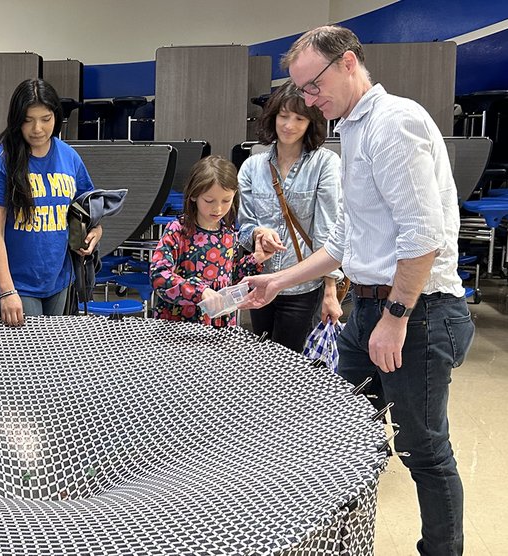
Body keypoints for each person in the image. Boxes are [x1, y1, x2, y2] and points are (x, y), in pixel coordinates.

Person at [242, 25, 475, 555]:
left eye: (313, 85)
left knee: (424, 449)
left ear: (348, 63)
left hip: (415, 313)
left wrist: (394, 318)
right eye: (300, 90)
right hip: (366, 309)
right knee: (332, 428)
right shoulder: (354, 131)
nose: (308, 99)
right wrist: (276, 281)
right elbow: (346, 240)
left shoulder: (394, 124)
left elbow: (423, 238)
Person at [0, 78, 102, 326]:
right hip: (18, 283)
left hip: (59, 278)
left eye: (45, 119)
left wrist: (93, 233)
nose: (37, 129)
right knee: (29, 360)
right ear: (16, 120)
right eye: (28, 120)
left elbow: (84, 210)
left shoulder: (69, 156)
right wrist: (7, 291)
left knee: (54, 357)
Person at [237, 82, 343, 351]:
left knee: (292, 364)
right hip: (261, 280)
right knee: (260, 358)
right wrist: (259, 234)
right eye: (283, 116)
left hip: (303, 285)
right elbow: (245, 226)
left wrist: (331, 291)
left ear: (311, 122)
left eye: (299, 118)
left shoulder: (325, 163)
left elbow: (328, 231)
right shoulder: (252, 166)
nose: (289, 125)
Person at [150, 155, 268, 327]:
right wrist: (200, 291)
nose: (218, 208)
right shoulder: (178, 230)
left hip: (220, 326)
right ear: (193, 196)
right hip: (180, 326)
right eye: (209, 200)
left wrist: (256, 259)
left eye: (226, 200)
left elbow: (230, 278)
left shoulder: (228, 233)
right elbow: (159, 276)